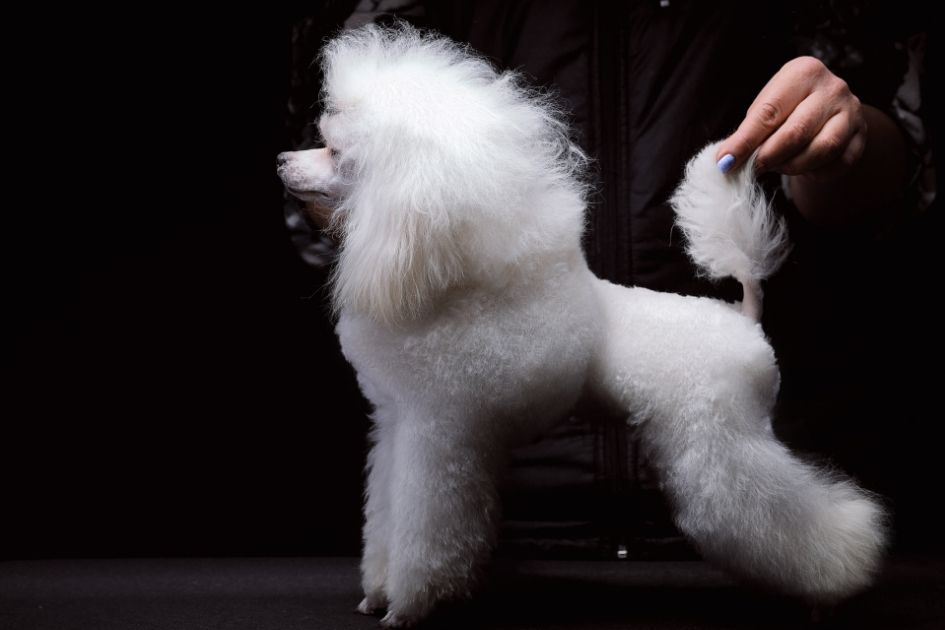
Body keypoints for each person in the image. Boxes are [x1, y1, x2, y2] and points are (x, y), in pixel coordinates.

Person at [283, 0, 936, 558]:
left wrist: (846, 147)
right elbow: (311, 216)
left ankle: (820, 550)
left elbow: (907, 175)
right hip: (518, 539)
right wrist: (377, 210)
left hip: (797, 447)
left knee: (741, 476)